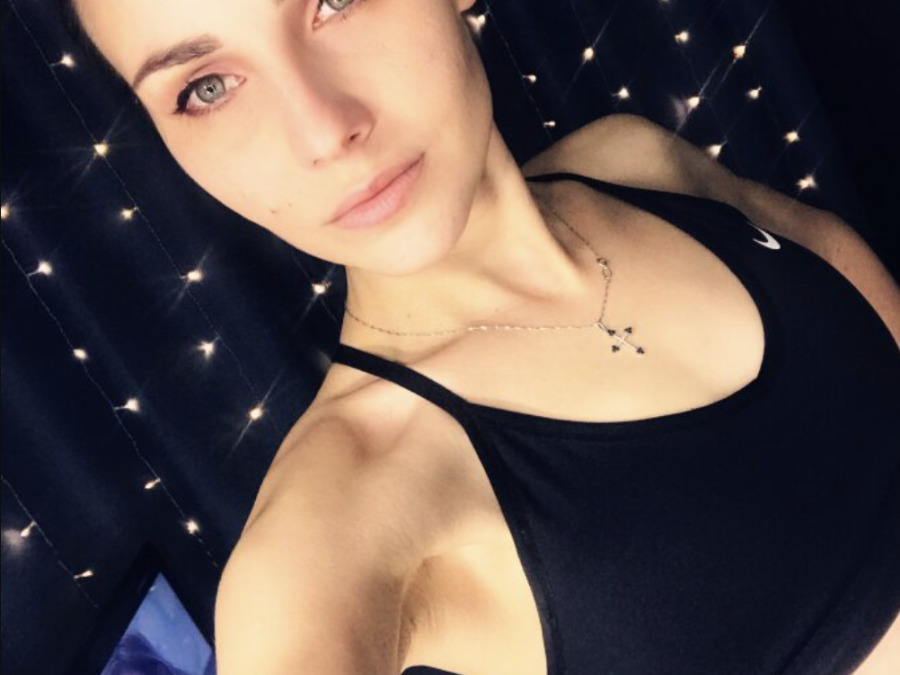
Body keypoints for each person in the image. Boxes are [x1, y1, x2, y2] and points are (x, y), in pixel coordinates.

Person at [64, 0, 900, 673]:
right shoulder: (339, 517)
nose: (324, 132)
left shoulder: (633, 160)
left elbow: (848, 277)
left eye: (335, 0)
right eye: (207, 87)